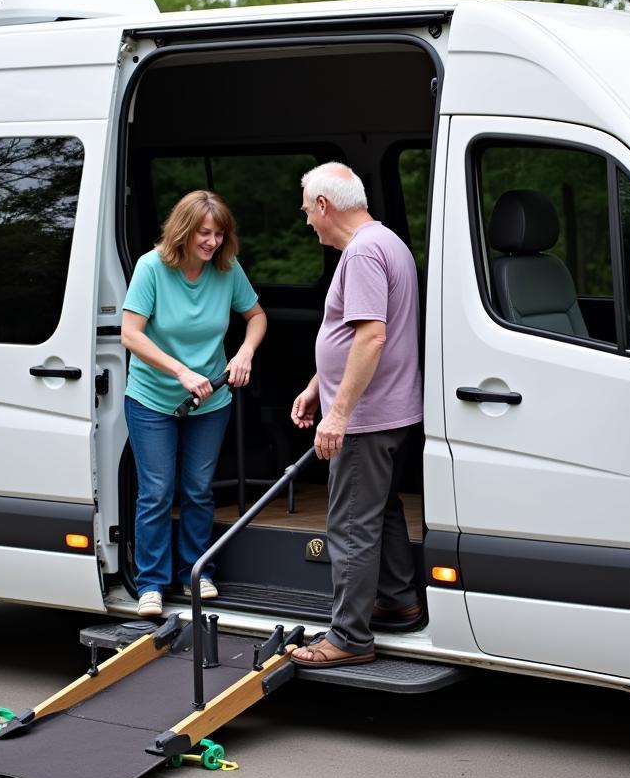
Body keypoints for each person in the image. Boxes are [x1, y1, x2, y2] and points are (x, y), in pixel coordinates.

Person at [289, 162, 423, 666]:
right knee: (380, 511)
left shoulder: (363, 253)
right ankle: (398, 598)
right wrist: (316, 389)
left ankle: (347, 638)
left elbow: (371, 337)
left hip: (368, 416)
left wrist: (338, 413)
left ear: (324, 205)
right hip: (390, 408)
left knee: (349, 525)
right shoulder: (386, 242)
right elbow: (348, 337)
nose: (307, 222)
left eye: (307, 211)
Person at [122, 191, 266, 617]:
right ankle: (150, 582)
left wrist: (244, 354)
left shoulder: (226, 269)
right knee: (157, 491)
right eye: (205, 233)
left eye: (220, 234)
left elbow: (256, 316)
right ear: (184, 230)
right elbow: (131, 334)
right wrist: (181, 372)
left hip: (211, 400)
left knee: (199, 490)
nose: (213, 242)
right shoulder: (152, 268)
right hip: (153, 398)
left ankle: (196, 573)